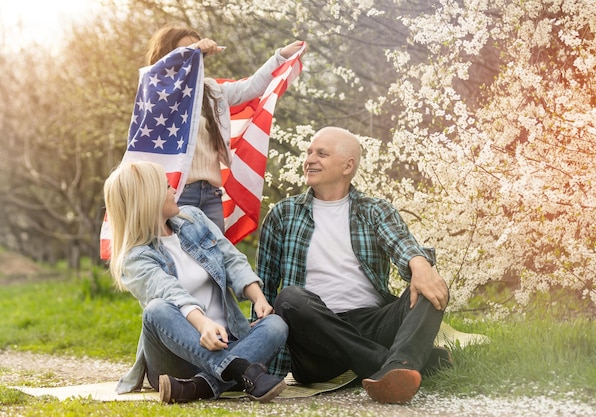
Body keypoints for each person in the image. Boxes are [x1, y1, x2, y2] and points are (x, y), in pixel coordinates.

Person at [255, 126, 450, 404]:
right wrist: (258, 363)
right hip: (315, 340)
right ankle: (395, 364)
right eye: (309, 152)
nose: (310, 159)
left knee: (432, 284)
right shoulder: (283, 214)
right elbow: (263, 287)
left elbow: (402, 245)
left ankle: (397, 365)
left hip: (373, 323)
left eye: (321, 153)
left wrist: (420, 265)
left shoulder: (374, 210)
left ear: (348, 166)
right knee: (290, 297)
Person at [103, 160, 288, 404]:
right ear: (150, 198)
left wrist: (258, 297)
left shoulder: (194, 219)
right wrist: (202, 325)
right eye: (167, 186)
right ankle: (241, 371)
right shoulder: (135, 257)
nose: (174, 191)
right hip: (176, 358)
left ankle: (198, 387)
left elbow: (231, 259)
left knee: (275, 325)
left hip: (228, 344)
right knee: (156, 309)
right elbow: (171, 291)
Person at [144, 25, 305, 231]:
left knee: (216, 259)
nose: (194, 58)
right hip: (177, 194)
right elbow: (157, 77)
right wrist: (195, 49)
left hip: (211, 193)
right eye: (185, 52)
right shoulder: (156, 91)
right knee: (183, 257)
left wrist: (280, 56)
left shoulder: (210, 90)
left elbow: (253, 86)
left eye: (197, 55)